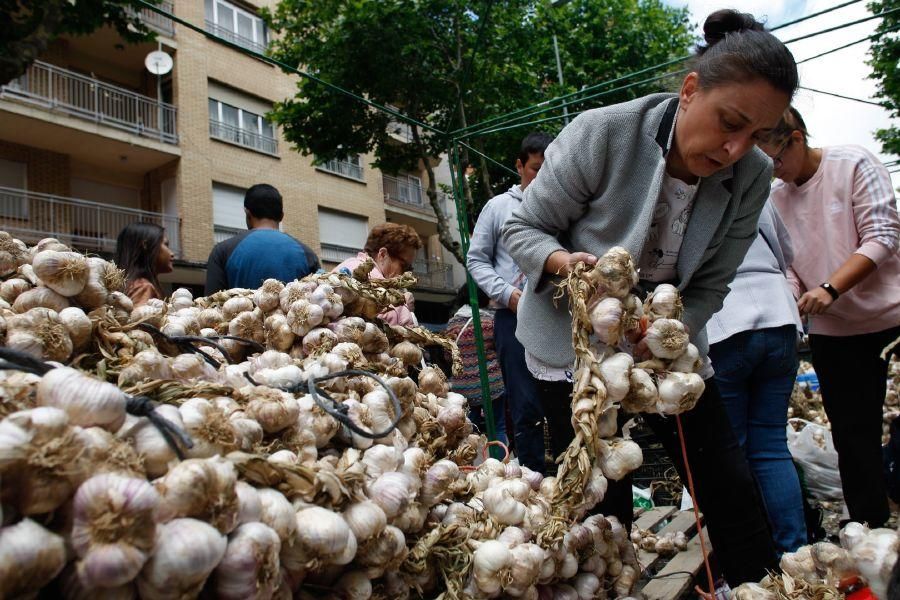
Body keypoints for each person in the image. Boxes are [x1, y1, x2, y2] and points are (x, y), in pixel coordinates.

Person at [502, 9, 798, 586]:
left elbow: (712, 283)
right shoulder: (605, 131)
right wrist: (568, 266)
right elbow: (523, 229)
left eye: (756, 134)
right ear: (690, 91)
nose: (736, 148)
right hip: (574, 347)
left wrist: (667, 331)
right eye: (729, 123)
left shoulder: (753, 174)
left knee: (728, 485)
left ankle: (764, 589)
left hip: (667, 343)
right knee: (601, 500)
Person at [759, 107, 900, 529]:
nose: (775, 172)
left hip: (892, 313)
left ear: (797, 138)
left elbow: (883, 236)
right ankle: (870, 530)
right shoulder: (774, 199)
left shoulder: (853, 163)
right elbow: (785, 265)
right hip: (836, 331)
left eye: (777, 159)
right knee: (853, 436)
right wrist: (793, 298)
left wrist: (830, 288)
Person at [706, 200, 807, 555]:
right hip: (779, 317)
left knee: (735, 452)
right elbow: (786, 250)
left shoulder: (684, 184)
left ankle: (755, 562)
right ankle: (795, 554)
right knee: (772, 447)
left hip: (724, 319)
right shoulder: (757, 183)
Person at [467, 132, 552, 473]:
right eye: (535, 169)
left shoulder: (561, 207)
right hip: (513, 319)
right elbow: (476, 260)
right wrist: (508, 294)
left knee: (565, 399)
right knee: (525, 403)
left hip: (556, 317)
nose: (541, 177)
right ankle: (533, 478)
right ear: (519, 166)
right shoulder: (499, 207)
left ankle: (568, 476)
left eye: (549, 170)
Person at [205, 184, 320, 294]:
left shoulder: (222, 251)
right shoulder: (308, 255)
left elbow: (210, 306)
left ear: (247, 213)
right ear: (281, 216)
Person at [444, 285, 508, 446]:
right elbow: (501, 350)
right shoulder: (489, 322)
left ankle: (468, 463)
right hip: (492, 384)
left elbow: (448, 356)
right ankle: (498, 464)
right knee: (498, 428)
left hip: (463, 387)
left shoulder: (452, 324)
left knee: (465, 430)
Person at [333, 222, 422, 326]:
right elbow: (404, 330)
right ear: (383, 254)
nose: (405, 273)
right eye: (405, 266)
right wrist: (406, 307)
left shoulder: (348, 263)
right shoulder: (379, 286)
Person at [115, 222, 174, 306]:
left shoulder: (125, 286)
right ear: (146, 245)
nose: (172, 254)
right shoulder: (143, 287)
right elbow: (141, 318)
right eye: (166, 244)